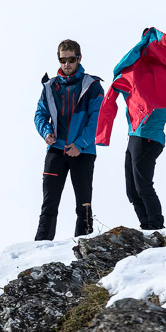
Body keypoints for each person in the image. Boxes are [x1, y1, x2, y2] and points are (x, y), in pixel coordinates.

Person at [96, 28, 166, 230]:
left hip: (148, 137)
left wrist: (141, 53)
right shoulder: (147, 77)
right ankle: (147, 227)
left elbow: (144, 94)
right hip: (135, 137)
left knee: (142, 186)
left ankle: (155, 227)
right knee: (132, 190)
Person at [33, 40, 104, 240]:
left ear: (79, 58)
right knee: (49, 204)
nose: (66, 64)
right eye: (62, 60)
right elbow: (40, 114)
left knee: (84, 204)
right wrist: (46, 132)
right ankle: (39, 250)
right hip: (56, 150)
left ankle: (85, 251)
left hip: (83, 151)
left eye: (71, 59)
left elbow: (96, 120)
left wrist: (80, 144)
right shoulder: (50, 86)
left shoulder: (92, 85)